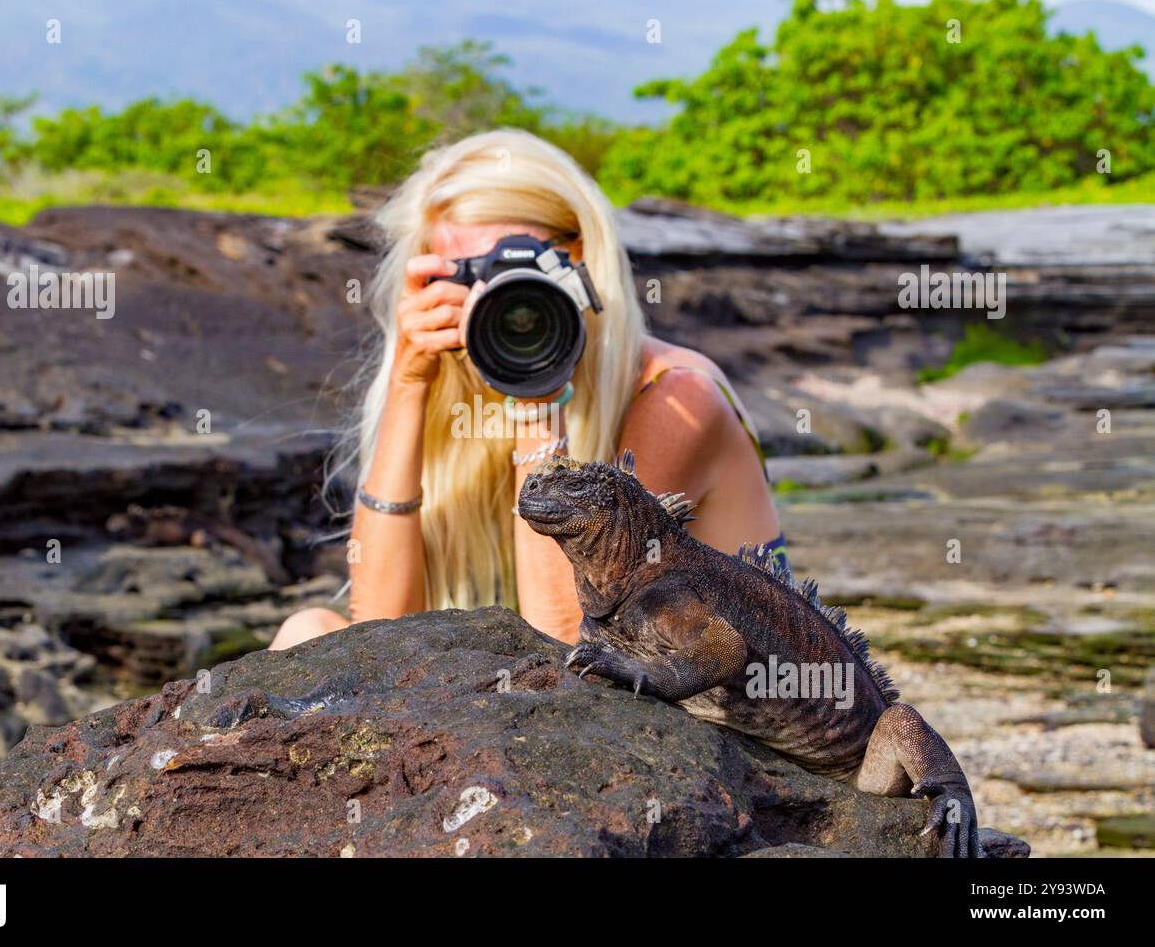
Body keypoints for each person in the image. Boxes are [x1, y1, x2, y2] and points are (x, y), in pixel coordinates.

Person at [270, 129, 784, 649]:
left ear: (580, 254)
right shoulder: (451, 386)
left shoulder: (677, 397)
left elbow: (569, 644)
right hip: (556, 699)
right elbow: (375, 630)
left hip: (694, 707)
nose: (502, 296)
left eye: (520, 267)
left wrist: (536, 401)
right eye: (473, 275)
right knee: (306, 631)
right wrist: (407, 383)